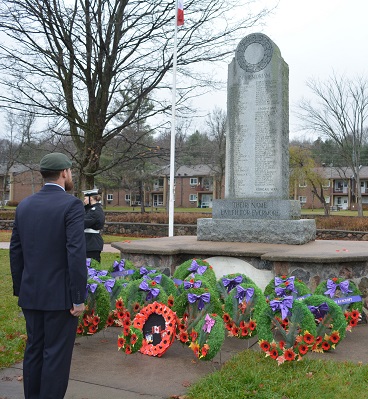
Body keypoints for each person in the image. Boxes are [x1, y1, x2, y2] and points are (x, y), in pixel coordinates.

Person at [10, 152, 87, 399]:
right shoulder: (71, 204)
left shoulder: (25, 205)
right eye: (71, 171)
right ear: (64, 173)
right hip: (60, 298)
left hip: (31, 294)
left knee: (34, 351)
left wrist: (21, 288)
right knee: (55, 356)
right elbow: (75, 253)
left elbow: (16, 251)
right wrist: (78, 297)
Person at [83, 189, 105, 263]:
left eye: (85, 198)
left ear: (91, 198)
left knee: (92, 267)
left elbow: (83, 223)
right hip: (89, 241)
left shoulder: (94, 211)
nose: (84, 200)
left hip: (92, 242)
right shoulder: (89, 209)